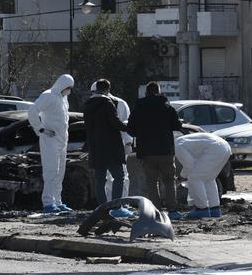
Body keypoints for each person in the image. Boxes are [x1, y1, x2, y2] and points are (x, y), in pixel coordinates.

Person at [127, 81, 183, 219]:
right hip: (166, 151)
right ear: (159, 92)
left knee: (151, 182)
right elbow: (176, 125)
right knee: (169, 181)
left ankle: (156, 210)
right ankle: (172, 210)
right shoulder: (167, 108)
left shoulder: (139, 109)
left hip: (146, 152)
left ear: (146, 93)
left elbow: (131, 129)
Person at [84, 79, 132, 218]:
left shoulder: (87, 105)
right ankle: (116, 206)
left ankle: (102, 209)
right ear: (107, 89)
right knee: (119, 176)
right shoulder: (108, 103)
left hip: (95, 147)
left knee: (100, 179)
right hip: (111, 147)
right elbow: (115, 123)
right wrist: (130, 128)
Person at [28, 74, 75, 214]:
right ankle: (48, 203)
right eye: (68, 88)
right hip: (50, 139)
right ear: (62, 85)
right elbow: (32, 110)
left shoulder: (63, 99)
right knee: (51, 171)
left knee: (60, 173)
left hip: (62, 140)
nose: (69, 91)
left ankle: (58, 202)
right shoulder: (48, 96)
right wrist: (40, 128)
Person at [174, 131, 232, 219]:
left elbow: (189, 164)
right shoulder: (183, 141)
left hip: (215, 148)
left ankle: (202, 209)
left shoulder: (177, 146)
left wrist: (181, 177)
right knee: (209, 178)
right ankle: (214, 208)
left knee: (194, 177)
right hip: (225, 147)